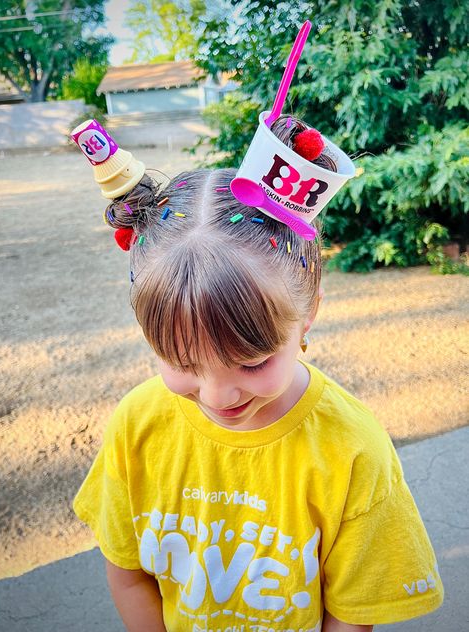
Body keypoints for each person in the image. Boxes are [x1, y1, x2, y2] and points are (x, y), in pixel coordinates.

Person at [71, 114, 444, 632]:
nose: (217, 395)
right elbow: (128, 572)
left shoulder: (352, 448)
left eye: (251, 362)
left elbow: (352, 613)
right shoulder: (137, 425)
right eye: (182, 363)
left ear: (308, 311)